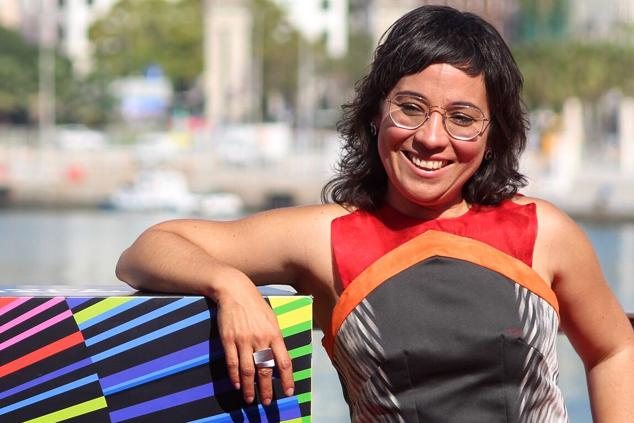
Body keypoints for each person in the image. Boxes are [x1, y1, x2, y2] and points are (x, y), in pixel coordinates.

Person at [116, 5, 634, 422]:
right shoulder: (327, 237)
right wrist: (230, 286)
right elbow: (147, 250)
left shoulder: (543, 233)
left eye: (461, 118)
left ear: (493, 135)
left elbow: (614, 349)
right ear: (374, 115)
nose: (432, 138)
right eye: (410, 108)